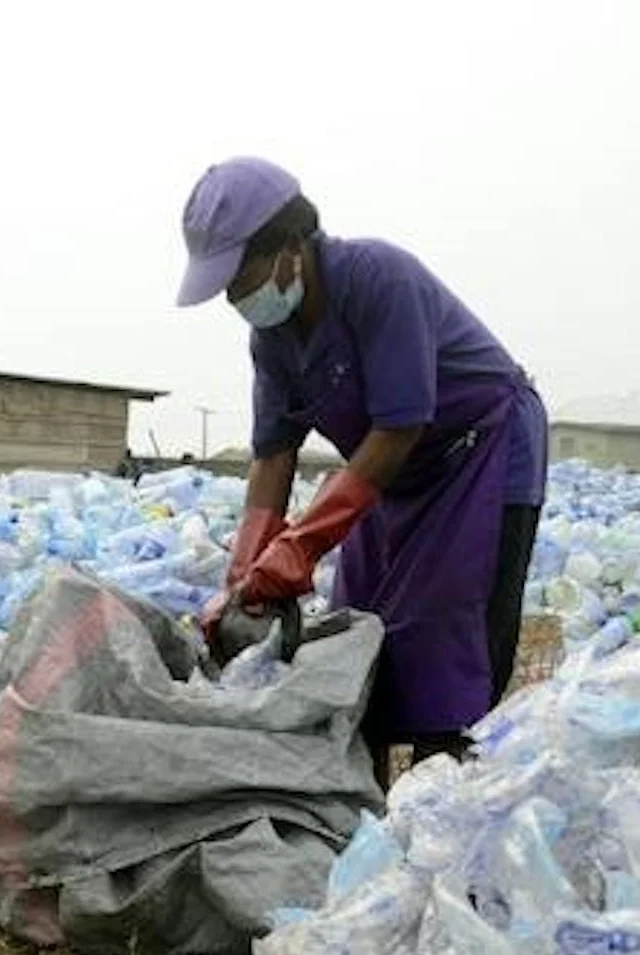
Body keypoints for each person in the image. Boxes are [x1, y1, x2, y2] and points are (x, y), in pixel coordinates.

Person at [177, 156, 548, 786]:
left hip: (480, 451)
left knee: (445, 628)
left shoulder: (378, 278)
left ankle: (445, 805)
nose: (238, 298)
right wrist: (244, 575)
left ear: (292, 247)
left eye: (243, 278)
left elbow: (400, 424)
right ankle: (355, 808)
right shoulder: (273, 338)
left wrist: (303, 543)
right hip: (389, 472)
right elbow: (273, 453)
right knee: (357, 629)